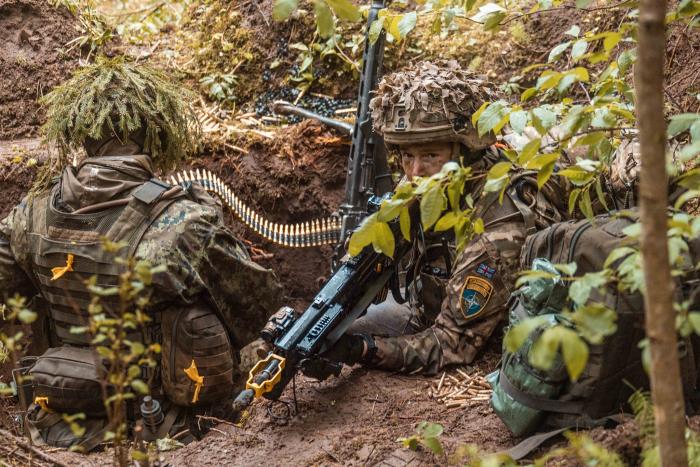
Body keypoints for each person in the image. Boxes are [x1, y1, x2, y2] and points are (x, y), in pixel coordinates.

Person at [0, 56, 282, 448]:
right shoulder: (184, 222)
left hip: (55, 423)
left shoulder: (30, 215)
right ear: (155, 136)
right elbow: (260, 307)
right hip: (164, 428)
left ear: (82, 135)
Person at [326, 61, 567, 375]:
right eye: (407, 156)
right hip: (426, 309)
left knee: (349, 339)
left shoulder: (498, 223)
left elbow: (452, 343)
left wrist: (363, 350)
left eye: (430, 155)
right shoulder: (428, 182)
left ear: (464, 153)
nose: (414, 172)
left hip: (483, 337)